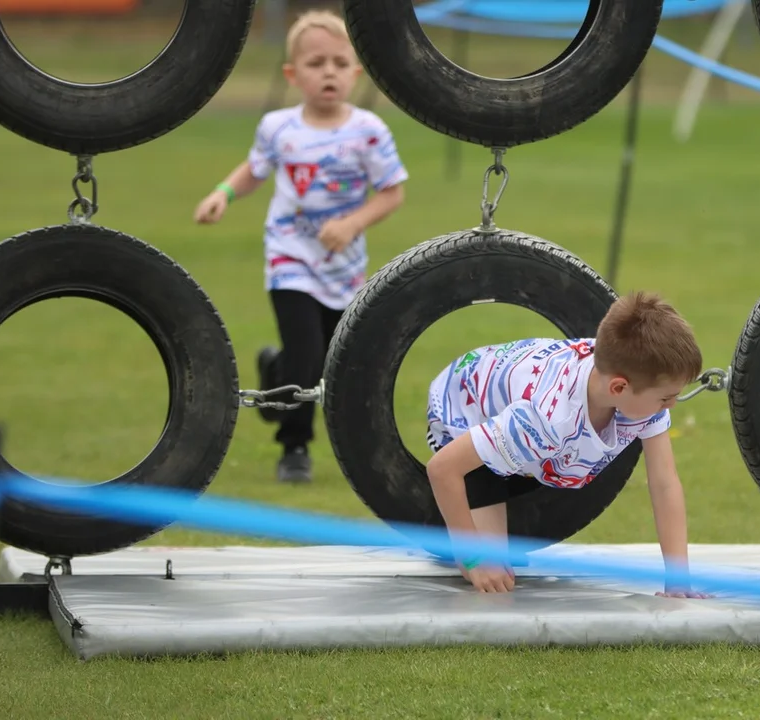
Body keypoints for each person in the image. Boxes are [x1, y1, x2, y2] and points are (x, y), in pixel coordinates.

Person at [193, 10, 408, 483]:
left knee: (333, 358)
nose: (327, 72)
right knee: (307, 354)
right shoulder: (278, 127)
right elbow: (254, 170)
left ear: (355, 72)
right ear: (293, 74)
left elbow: (392, 192)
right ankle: (294, 450)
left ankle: (275, 373)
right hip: (289, 257)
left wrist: (353, 223)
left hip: (345, 268)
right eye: (315, 63)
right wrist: (222, 195)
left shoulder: (369, 131)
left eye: (338, 62)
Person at [425, 291, 708, 596]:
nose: (672, 405)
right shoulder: (547, 420)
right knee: (491, 576)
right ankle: (444, 520)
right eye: (666, 398)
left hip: (519, 421)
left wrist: (678, 579)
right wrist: (474, 558)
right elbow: (442, 469)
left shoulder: (633, 384)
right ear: (619, 387)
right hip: (462, 409)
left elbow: (664, 482)